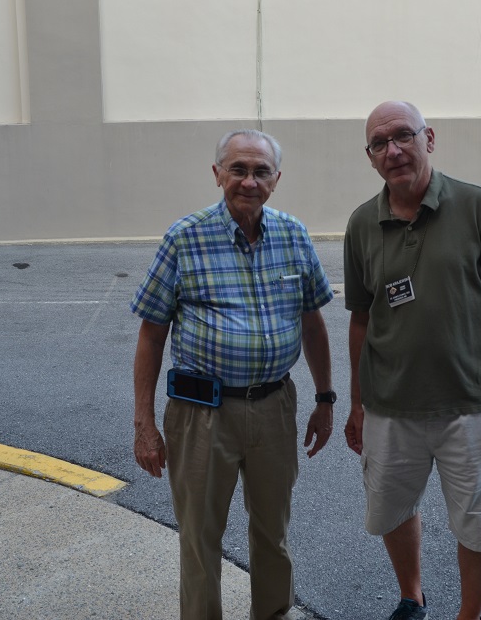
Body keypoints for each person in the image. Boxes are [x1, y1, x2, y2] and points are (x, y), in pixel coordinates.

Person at [131, 129, 337, 620]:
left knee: (273, 532)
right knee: (200, 538)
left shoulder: (293, 234)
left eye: (261, 171)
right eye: (238, 169)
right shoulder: (185, 237)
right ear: (217, 173)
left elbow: (312, 323)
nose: (249, 181)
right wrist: (144, 424)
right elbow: (152, 336)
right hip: (202, 413)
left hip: (274, 406)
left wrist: (326, 398)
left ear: (276, 179)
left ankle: (273, 614)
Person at [342, 101, 481, 620]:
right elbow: (361, 320)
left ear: (428, 139)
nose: (393, 150)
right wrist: (357, 403)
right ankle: (412, 597)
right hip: (389, 408)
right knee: (392, 511)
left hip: (472, 407)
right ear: (370, 156)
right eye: (380, 143)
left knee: (478, 523)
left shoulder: (476, 206)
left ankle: (468, 616)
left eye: (403, 136)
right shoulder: (362, 224)